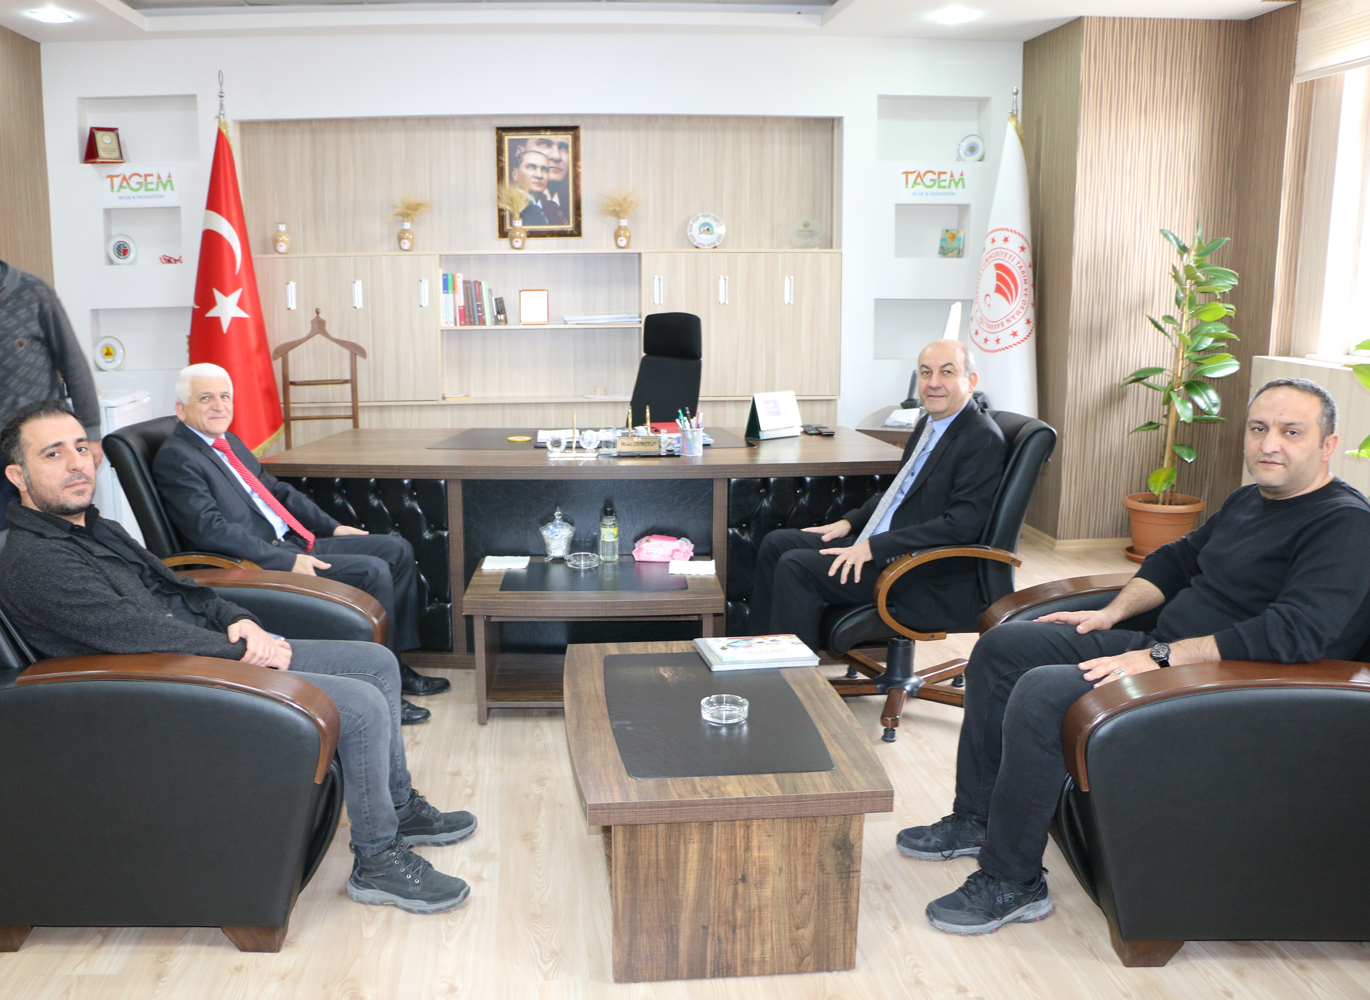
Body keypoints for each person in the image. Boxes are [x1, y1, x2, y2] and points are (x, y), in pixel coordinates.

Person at [901, 377, 1370, 938]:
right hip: (1165, 653)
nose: (1270, 444)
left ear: (1327, 444)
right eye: (1259, 429)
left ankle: (1012, 881)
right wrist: (1110, 614)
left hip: (1229, 688)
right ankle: (976, 819)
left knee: (1043, 691)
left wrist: (1161, 658)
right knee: (1004, 647)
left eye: (1291, 432)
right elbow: (1176, 560)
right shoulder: (1251, 500)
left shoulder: (1344, 524)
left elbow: (1296, 634)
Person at [0, 400, 478, 914]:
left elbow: (175, 584)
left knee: (376, 663)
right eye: (53, 454)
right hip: (161, 691)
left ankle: (399, 807)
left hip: (198, 655)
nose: (77, 464)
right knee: (359, 705)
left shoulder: (94, 526)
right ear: (18, 476)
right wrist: (244, 650)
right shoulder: (38, 562)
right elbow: (133, 634)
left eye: (80, 447)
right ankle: (378, 861)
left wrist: (236, 617)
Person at [151, 363, 448, 724]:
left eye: (225, 396)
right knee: (373, 571)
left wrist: (333, 528)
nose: (219, 406)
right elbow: (208, 530)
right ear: (181, 409)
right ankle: (382, 688)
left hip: (292, 540)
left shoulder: (228, 442)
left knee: (396, 549)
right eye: (206, 398)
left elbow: (277, 491)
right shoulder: (177, 457)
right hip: (260, 560)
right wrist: (285, 561)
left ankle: (395, 663)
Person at [745, 339, 1007, 650]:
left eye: (947, 372)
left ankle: (792, 674)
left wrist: (874, 547)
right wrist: (849, 522)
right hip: (886, 545)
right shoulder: (930, 424)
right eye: (926, 372)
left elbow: (962, 525)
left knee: (796, 566)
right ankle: (759, 655)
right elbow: (898, 492)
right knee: (776, 543)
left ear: (971, 381)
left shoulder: (981, 438)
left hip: (917, 571)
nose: (933, 383)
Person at [0, 259, 102, 531]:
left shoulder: (33, 292)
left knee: (58, 529)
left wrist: (91, 433)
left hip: (42, 449)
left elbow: (73, 362)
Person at [508, 147, 565, 226]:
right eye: (531, 167)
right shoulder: (507, 207)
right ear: (515, 174)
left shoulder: (554, 209)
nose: (539, 175)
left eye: (545, 169)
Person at [525, 135, 571, 218]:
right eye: (544, 144)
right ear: (520, 151)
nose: (556, 156)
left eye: (564, 148)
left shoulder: (571, 210)